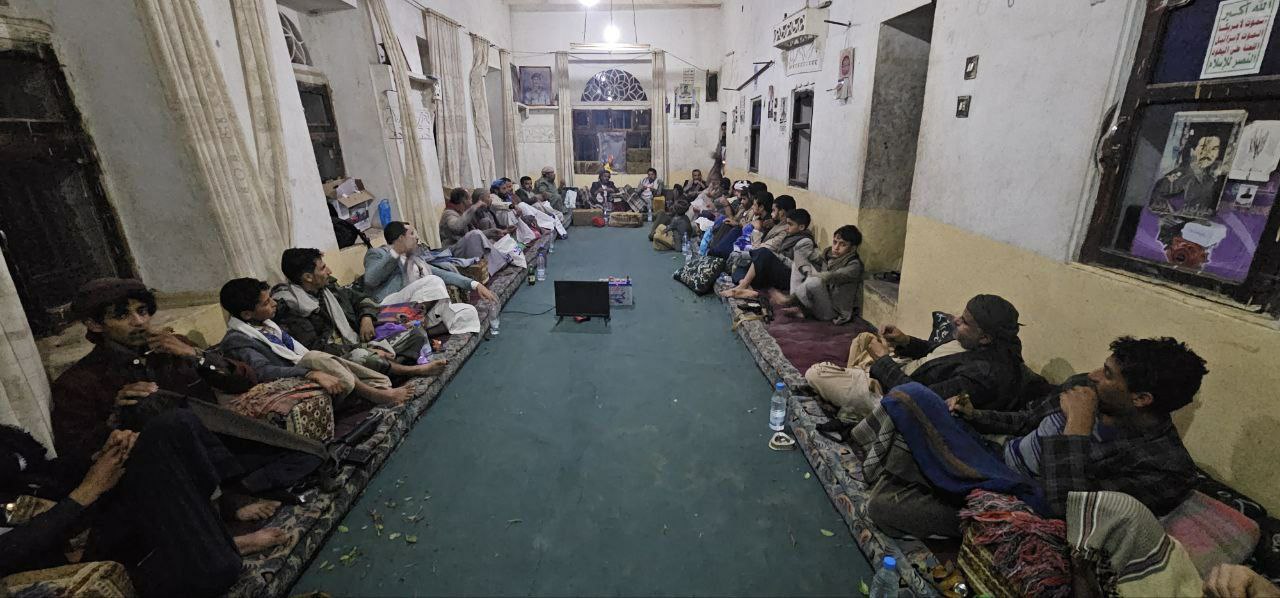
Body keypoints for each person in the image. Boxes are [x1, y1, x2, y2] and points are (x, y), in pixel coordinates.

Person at [860, 336, 1205, 539]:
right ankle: (932, 475)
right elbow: (1026, 419)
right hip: (993, 455)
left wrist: (1077, 428)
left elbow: (1071, 514)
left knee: (885, 506)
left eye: (1108, 374)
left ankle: (929, 481)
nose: (1094, 375)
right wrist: (975, 415)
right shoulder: (1085, 388)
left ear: (1142, 398)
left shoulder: (1165, 468)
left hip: (1021, 502)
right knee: (915, 398)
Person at [51, 278, 325, 492]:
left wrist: (195, 356)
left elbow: (244, 381)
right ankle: (226, 497)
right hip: (166, 470)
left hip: (217, 448)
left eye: (143, 311)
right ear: (94, 324)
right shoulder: (79, 382)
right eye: (122, 316)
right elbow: (76, 458)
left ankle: (235, 489)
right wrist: (116, 417)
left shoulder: (174, 347)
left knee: (310, 452)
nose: (139, 322)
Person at [2, 420, 287, 597]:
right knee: (216, 567)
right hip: (67, 555)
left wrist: (102, 456)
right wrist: (85, 492)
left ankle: (224, 520)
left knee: (169, 427)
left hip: (83, 519)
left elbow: (45, 475)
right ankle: (218, 552)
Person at [218, 278, 414, 407]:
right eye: (266, 303)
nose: (274, 303)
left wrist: (366, 320)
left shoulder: (267, 324)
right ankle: (377, 394)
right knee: (322, 357)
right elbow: (264, 371)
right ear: (247, 314)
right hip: (294, 375)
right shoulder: (238, 340)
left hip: (320, 359)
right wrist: (310, 373)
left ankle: (385, 385)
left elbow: (362, 300)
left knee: (353, 356)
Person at [272, 248, 446, 378]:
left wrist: (366, 318)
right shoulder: (293, 309)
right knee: (364, 357)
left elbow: (360, 298)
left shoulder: (328, 289)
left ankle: (387, 368)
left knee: (414, 333)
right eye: (323, 268)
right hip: (339, 356)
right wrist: (365, 348)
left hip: (358, 342)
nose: (329, 271)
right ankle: (412, 370)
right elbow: (318, 350)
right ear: (308, 277)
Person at [363, 221, 498, 306]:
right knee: (433, 281)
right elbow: (370, 279)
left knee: (467, 312)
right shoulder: (377, 253)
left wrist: (475, 285)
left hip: (417, 303)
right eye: (412, 234)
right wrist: (396, 251)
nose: (417, 238)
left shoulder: (415, 259)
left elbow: (443, 274)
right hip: (390, 304)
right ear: (401, 238)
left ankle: (427, 325)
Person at [771, 224, 865, 324]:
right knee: (797, 265)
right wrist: (807, 270)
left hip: (832, 312)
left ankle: (789, 300)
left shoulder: (854, 265)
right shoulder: (829, 255)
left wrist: (811, 278)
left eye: (843, 245)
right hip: (820, 301)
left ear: (853, 248)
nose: (836, 247)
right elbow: (803, 256)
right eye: (835, 242)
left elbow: (830, 276)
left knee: (815, 281)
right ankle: (798, 306)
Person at [719, 207, 814, 298]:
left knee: (763, 252)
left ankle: (742, 287)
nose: (787, 227)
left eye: (790, 224)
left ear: (801, 227)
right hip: (779, 269)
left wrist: (776, 256)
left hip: (789, 276)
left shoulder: (805, 242)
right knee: (741, 266)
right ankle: (747, 288)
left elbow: (797, 266)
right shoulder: (790, 236)